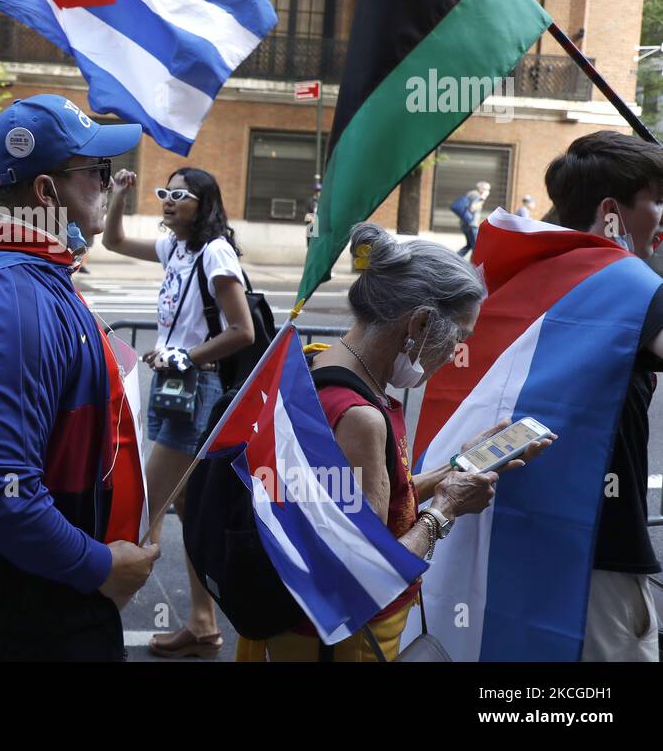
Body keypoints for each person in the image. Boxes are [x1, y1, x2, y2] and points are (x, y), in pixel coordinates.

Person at [0, 94, 157, 661]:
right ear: (46, 192)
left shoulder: (10, 274)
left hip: (20, 607)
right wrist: (103, 568)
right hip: (20, 622)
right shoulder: (14, 299)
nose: (109, 183)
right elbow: (3, 497)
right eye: (97, 172)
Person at [241, 222, 553, 661]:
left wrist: (460, 466)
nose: (453, 354)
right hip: (343, 639)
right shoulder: (361, 417)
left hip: (295, 620)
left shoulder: (316, 367)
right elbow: (369, 571)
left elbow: (367, 504)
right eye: (459, 337)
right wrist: (445, 511)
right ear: (421, 321)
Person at [102, 166, 255, 659]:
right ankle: (203, 623)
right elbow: (116, 240)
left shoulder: (215, 252)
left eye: (181, 195)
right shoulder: (177, 249)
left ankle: (98, 618)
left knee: (144, 504)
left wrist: (184, 355)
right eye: (165, 193)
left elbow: (243, 330)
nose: (169, 201)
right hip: (173, 384)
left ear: (203, 203)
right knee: (186, 508)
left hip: (196, 383)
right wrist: (121, 194)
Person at [544, 130, 663, 661]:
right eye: (658, 202)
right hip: (603, 554)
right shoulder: (625, 287)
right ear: (612, 211)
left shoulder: (538, 274)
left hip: (539, 535)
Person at [453, 180, 490, 257]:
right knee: (476, 247)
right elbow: (473, 208)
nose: (488, 192)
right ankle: (474, 266)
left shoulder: (472, 193)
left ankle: (455, 258)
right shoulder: (476, 195)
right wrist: (483, 198)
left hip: (465, 223)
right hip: (471, 225)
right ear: (481, 188)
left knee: (469, 245)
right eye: (487, 189)